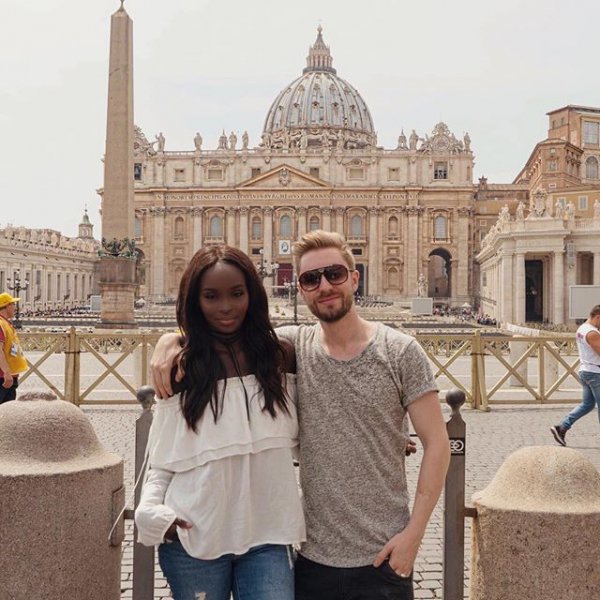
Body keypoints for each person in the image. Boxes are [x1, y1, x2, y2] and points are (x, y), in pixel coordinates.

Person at [151, 231, 450, 600]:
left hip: (383, 553)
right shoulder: (293, 348)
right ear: (300, 288)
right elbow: (223, 331)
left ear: (354, 279)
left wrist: (414, 536)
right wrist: (172, 340)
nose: (324, 286)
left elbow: (438, 444)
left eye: (335, 274)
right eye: (311, 278)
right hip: (313, 557)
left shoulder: (401, 350)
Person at [136, 245, 305, 600]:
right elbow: (165, 458)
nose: (225, 306)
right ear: (194, 301)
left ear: (252, 295)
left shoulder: (280, 357)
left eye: (237, 294)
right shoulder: (180, 367)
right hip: (194, 534)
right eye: (211, 296)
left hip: (269, 533)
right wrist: (152, 511)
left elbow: (325, 409)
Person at [551, 304, 600, 446]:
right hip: (595, 373)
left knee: (587, 404)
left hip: (586, 370)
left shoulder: (582, 329)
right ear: (597, 317)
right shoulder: (592, 333)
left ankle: (562, 427)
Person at [0, 292, 28, 405]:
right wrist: (7, 373)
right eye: (13, 304)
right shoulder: (1, 324)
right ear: (6, 306)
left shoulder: (6, 323)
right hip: (3, 377)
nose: (15, 308)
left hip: (9, 376)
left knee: (7, 412)